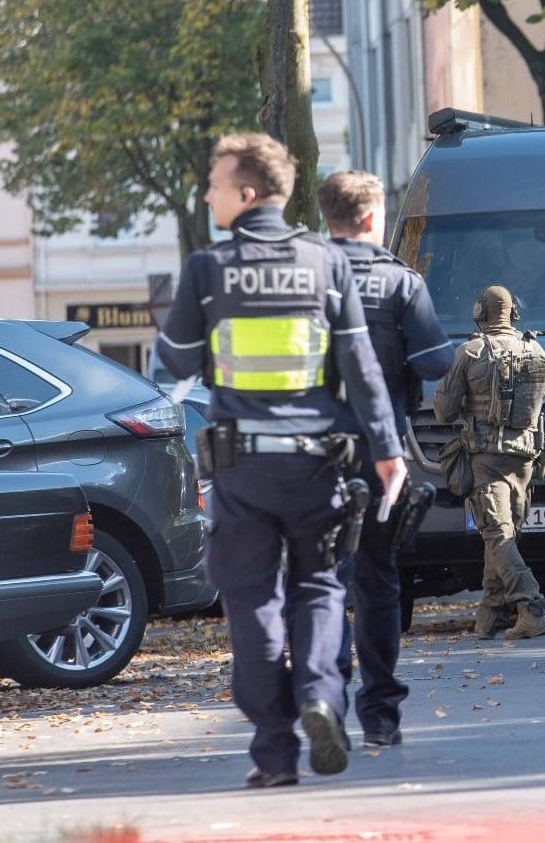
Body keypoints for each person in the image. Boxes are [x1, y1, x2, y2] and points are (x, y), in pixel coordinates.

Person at [155, 133, 404, 788]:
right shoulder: (326, 262)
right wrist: (388, 452)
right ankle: (323, 695)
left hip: (242, 469)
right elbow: (362, 367)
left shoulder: (208, 269)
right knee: (320, 586)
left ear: (246, 192)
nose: (207, 192)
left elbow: (176, 363)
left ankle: (273, 753)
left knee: (253, 603)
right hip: (318, 463)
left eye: (214, 181)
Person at [316, 170, 454, 749]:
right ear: (374, 218)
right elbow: (435, 363)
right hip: (379, 460)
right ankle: (379, 716)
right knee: (376, 580)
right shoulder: (401, 285)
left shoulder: (297, 282)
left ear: (327, 217)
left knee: (320, 582)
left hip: (307, 456)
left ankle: (323, 700)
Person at [433, 285, 545, 641]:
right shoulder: (537, 350)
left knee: (496, 534)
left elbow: (444, 411)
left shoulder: (469, 352)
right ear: (513, 312)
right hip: (526, 460)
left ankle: (531, 607)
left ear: (479, 313)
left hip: (486, 458)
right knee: (502, 533)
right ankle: (489, 616)